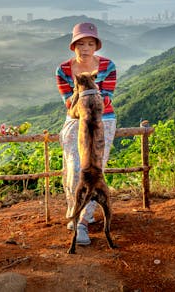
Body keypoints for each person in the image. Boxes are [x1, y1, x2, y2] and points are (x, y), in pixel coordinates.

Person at [55, 21, 117, 246]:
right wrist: (88, 93)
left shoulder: (108, 66)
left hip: (104, 121)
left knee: (95, 171)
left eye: (90, 43)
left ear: (96, 45)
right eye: (80, 43)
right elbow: (69, 106)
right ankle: (75, 207)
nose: (85, 48)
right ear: (73, 46)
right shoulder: (63, 70)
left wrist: (83, 93)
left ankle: (83, 220)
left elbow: (107, 99)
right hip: (75, 121)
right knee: (74, 169)